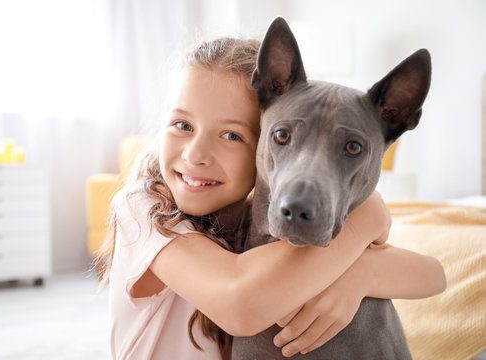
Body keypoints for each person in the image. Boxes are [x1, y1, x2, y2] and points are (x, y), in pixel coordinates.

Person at [94, 37, 446, 360]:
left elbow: (434, 275)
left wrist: (364, 271)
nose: (197, 154)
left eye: (231, 135)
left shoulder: (248, 222)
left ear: (260, 151)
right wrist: (367, 218)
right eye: (182, 125)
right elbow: (241, 302)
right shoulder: (144, 210)